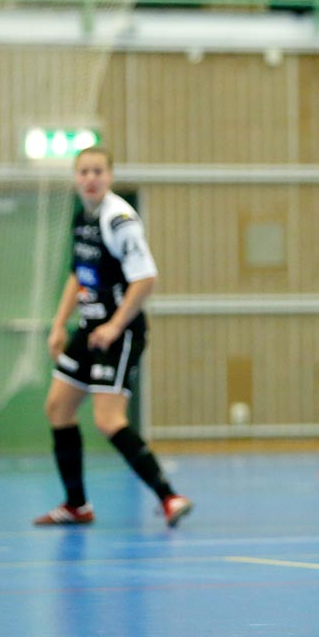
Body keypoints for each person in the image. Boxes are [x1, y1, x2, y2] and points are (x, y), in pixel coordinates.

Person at [32, 145, 193, 528]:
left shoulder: (119, 219)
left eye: (97, 172)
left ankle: (170, 497)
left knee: (108, 419)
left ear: (110, 176)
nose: (90, 178)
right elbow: (79, 274)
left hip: (118, 333)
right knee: (58, 408)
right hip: (91, 329)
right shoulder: (82, 217)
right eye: (83, 172)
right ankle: (77, 505)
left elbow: (146, 278)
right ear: (75, 177)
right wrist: (59, 324)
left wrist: (115, 325)